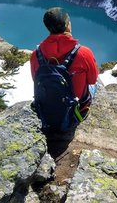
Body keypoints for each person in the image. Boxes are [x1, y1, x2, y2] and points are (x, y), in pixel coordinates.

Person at [30, 7, 98, 137]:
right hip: (76, 111)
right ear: (67, 26)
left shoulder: (36, 55)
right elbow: (92, 80)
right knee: (96, 85)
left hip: (47, 112)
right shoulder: (83, 53)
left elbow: (35, 79)